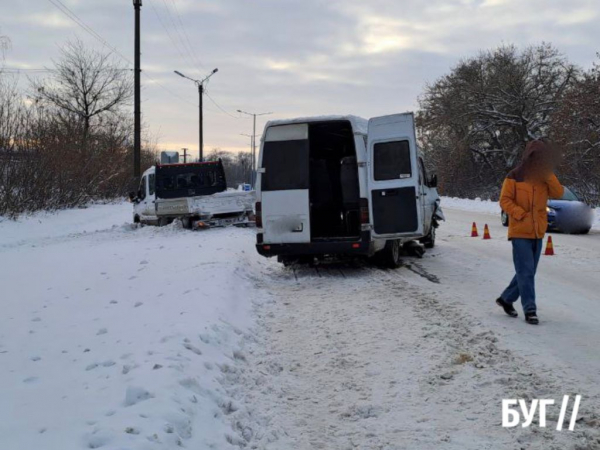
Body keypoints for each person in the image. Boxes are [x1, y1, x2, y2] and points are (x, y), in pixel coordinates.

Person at [496, 140, 564, 325]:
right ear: (528, 157)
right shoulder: (515, 175)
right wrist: (520, 214)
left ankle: (506, 299)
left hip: (538, 231)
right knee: (526, 272)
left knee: (527, 272)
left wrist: (548, 174)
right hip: (520, 231)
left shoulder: (545, 176)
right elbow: (504, 200)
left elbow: (558, 193)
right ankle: (530, 310)